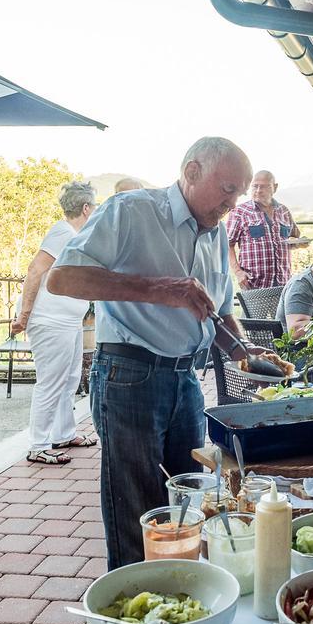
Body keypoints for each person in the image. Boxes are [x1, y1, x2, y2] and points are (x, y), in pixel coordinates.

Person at [48, 136, 273, 569]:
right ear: (191, 172)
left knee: (190, 503)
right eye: (227, 189)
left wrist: (241, 348)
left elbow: (218, 310)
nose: (233, 202)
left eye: (239, 193)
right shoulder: (131, 210)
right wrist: (156, 289)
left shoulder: (217, 232)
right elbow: (62, 279)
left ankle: (181, 603)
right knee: (136, 511)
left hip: (187, 380)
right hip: (129, 374)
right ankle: (134, 619)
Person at [11, 181, 98, 465]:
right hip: (50, 321)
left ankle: (63, 433)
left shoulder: (74, 235)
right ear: (86, 208)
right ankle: (38, 445)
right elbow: (35, 269)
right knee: (51, 381)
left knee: (70, 378)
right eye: (94, 206)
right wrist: (24, 315)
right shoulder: (62, 232)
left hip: (68, 320)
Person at [226, 170, 302, 289]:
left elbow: (294, 237)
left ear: (275, 188)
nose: (258, 190)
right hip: (253, 285)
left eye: (264, 187)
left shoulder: (284, 211)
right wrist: (238, 272)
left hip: (284, 284)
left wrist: (299, 243)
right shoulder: (239, 212)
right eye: (255, 186)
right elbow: (227, 245)